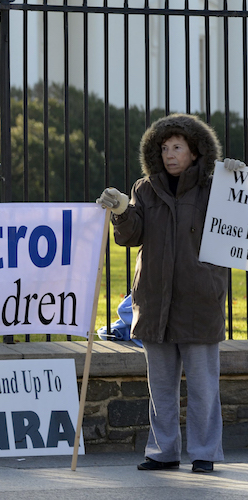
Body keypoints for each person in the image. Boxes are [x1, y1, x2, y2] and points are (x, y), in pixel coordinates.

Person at [96, 113, 245, 474]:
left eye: (177, 147)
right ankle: (162, 453)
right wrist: (121, 211)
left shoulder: (214, 188)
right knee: (160, 388)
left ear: (195, 152)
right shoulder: (143, 189)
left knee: (203, 388)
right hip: (154, 302)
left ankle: (204, 453)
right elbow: (131, 237)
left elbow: (238, 222)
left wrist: (238, 179)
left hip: (199, 303)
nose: (169, 154)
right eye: (164, 148)